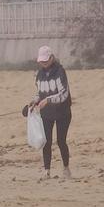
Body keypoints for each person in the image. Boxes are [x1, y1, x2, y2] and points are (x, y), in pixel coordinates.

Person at [23, 46, 72, 180]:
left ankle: (66, 168)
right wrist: (34, 101)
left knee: (61, 141)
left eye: (46, 60)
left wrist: (48, 100)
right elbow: (40, 92)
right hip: (47, 113)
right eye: (41, 61)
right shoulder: (39, 75)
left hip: (63, 112)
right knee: (46, 142)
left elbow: (64, 94)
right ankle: (47, 171)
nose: (44, 63)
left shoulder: (60, 72)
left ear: (52, 58)